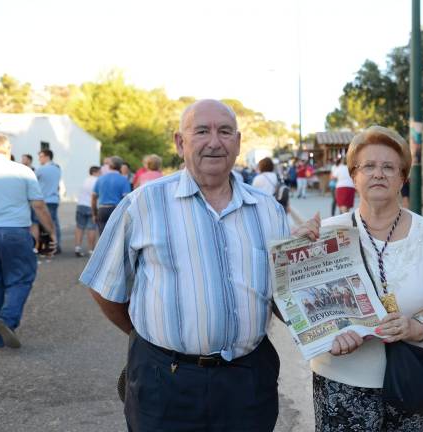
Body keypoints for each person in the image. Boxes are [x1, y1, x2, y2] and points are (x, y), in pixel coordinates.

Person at [79, 100, 290, 430]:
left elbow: (284, 291)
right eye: (202, 131)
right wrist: (147, 339)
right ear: (180, 142)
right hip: (164, 381)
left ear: (237, 141)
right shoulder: (142, 204)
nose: (214, 141)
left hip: (249, 380)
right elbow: (105, 287)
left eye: (224, 131)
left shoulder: (269, 210)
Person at [297, 125, 423, 431]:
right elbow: (295, 306)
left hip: (416, 376)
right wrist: (294, 252)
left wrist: (417, 326)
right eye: (369, 166)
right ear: (354, 175)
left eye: (389, 167)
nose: (378, 174)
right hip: (342, 377)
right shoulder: (325, 234)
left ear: (403, 177)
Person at [0, 134, 56, 348]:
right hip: (14, 231)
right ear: (8, 149)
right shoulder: (23, 171)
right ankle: (7, 320)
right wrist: (51, 231)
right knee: (21, 279)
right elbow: (38, 206)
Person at [32, 149, 62, 254]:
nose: (39, 158)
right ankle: (56, 246)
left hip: (43, 200)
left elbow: (32, 181)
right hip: (54, 199)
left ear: (47, 156)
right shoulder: (57, 169)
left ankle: (39, 247)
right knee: (53, 224)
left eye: (41, 156)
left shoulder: (41, 169)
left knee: (37, 223)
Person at [91, 156, 131, 234]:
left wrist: (94, 214)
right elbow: (126, 199)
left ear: (109, 166)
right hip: (117, 209)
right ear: (120, 166)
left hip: (102, 209)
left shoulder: (100, 179)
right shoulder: (123, 180)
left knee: (102, 236)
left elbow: (93, 198)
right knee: (116, 236)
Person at [74, 166, 101, 257]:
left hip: (80, 205)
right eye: (99, 172)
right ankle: (91, 250)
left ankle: (77, 247)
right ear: (95, 172)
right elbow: (97, 196)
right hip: (91, 206)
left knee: (79, 227)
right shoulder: (97, 181)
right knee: (91, 228)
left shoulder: (85, 180)